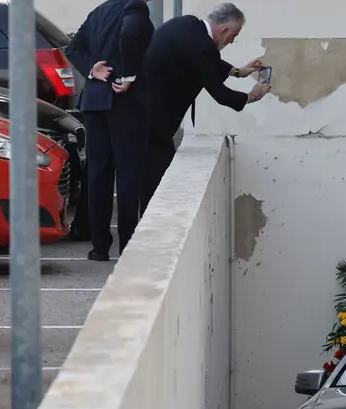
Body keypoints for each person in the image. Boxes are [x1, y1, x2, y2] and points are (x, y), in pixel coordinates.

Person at [140, 3, 271, 210]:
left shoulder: (188, 24)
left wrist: (239, 71)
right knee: (157, 179)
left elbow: (207, 61)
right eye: (233, 36)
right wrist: (250, 96)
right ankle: (145, 227)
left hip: (142, 112)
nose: (232, 41)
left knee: (151, 174)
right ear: (224, 30)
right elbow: (220, 93)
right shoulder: (201, 47)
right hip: (154, 121)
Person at [65, 0, 154, 262]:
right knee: (128, 175)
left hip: (94, 103)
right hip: (122, 102)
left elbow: (74, 47)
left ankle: (99, 246)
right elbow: (128, 33)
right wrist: (128, 75)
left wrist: (92, 69)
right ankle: (128, 245)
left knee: (98, 175)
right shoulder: (136, 8)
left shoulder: (99, 11)